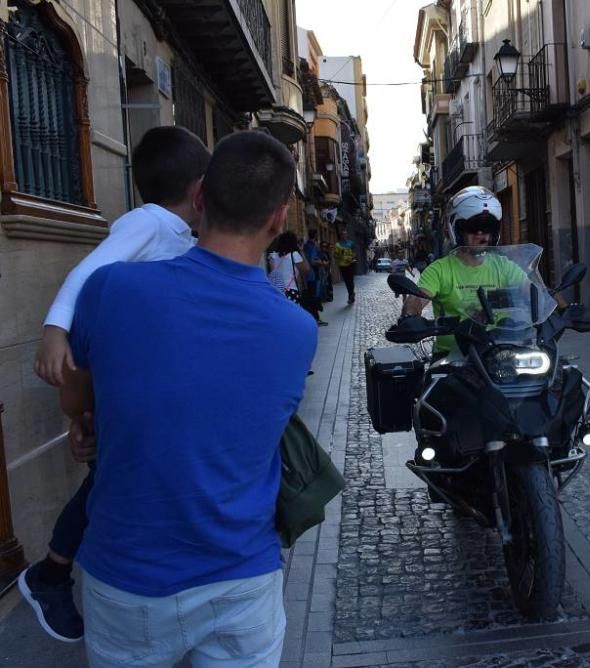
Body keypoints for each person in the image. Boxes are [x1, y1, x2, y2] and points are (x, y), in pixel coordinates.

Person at [60, 130, 317, 665]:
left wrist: (88, 426)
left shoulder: (111, 289)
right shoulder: (296, 330)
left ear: (198, 198)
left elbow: (76, 397)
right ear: (278, 218)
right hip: (240, 578)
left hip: (125, 577)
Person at [19, 126, 210, 643]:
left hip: (140, 387)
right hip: (122, 384)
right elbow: (87, 272)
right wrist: (54, 330)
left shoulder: (178, 236)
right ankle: (51, 572)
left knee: (110, 480)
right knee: (108, 481)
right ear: (199, 189)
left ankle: (61, 572)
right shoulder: (148, 224)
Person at [401, 186, 526, 354]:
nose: (481, 234)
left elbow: (533, 290)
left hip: (499, 353)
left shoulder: (504, 266)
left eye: (487, 227)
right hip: (453, 358)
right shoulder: (439, 270)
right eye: (474, 226)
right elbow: (418, 298)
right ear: (458, 230)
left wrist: (564, 308)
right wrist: (411, 315)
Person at [334, 224, 357, 304]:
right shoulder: (337, 245)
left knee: (351, 280)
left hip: (350, 264)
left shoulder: (351, 243)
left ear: (347, 234)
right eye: (342, 234)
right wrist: (340, 254)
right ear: (341, 235)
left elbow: (354, 252)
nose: (344, 235)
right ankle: (351, 294)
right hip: (342, 265)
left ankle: (351, 295)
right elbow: (335, 255)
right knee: (347, 281)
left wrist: (352, 257)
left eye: (345, 234)